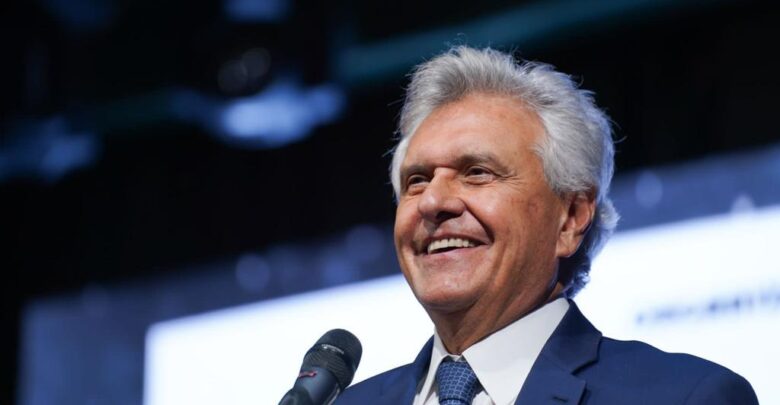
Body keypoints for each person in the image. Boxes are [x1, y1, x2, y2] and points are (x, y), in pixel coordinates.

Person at [335, 46, 757, 404]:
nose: (432, 202)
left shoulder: (686, 396)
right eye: (417, 180)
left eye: (477, 172)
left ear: (570, 218)